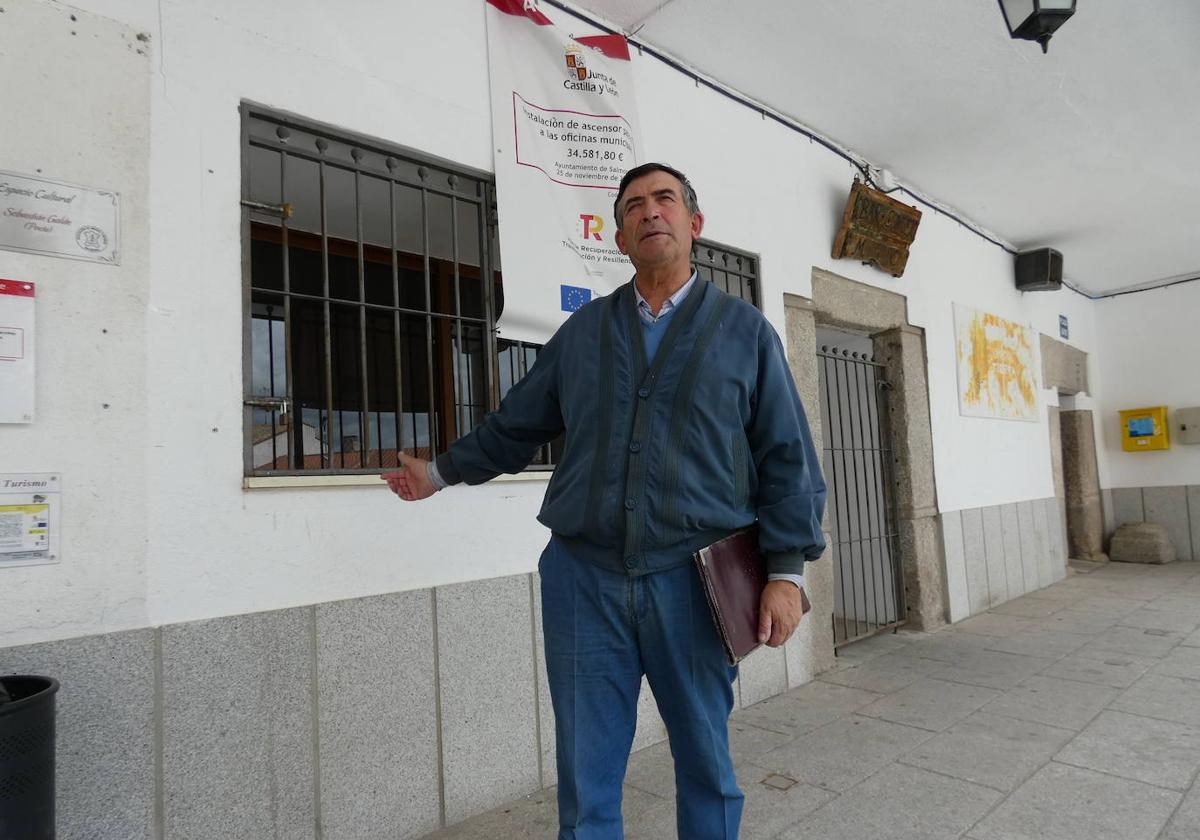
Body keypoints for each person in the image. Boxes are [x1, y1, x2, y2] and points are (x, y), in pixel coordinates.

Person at [383, 162, 826, 840]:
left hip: (695, 581)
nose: (651, 212)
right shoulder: (584, 333)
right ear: (619, 238)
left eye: (666, 200)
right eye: (634, 206)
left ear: (694, 225)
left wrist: (786, 573)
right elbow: (515, 427)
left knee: (707, 764)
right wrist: (439, 473)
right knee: (587, 779)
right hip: (583, 579)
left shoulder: (746, 333)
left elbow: (786, 455)